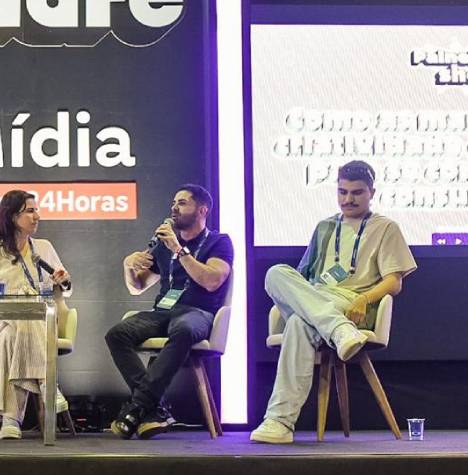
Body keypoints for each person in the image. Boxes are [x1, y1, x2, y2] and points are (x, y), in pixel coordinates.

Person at [250, 160, 417, 444]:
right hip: (317, 298)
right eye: (342, 192)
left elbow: (394, 282)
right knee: (275, 273)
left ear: (371, 192)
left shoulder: (386, 227)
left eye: (356, 193)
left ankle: (279, 421)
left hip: (353, 302)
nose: (347, 199)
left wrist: (364, 298)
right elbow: (301, 278)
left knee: (300, 324)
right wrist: (308, 299)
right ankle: (337, 329)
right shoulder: (324, 226)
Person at [105, 184, 233, 439]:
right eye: (174, 202)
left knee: (184, 329)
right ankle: (154, 409)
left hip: (198, 312)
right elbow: (138, 286)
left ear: (202, 210)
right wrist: (128, 266)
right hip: (162, 312)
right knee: (117, 334)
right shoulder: (163, 245)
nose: (174, 207)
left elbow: (212, 281)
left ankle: (138, 406)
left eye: (183, 203)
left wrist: (179, 250)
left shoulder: (219, 242)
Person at [0, 190, 73, 439]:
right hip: (1, 317)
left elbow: (66, 291)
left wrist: (64, 281)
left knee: (11, 337)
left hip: (40, 320)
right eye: (30, 211)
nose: (37, 216)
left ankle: (10, 420)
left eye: (36, 210)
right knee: (21, 319)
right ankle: (48, 383)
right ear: (12, 216)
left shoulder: (44, 248)